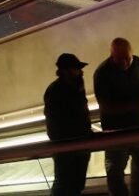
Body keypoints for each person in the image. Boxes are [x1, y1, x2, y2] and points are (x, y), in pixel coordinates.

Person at [93, 38, 139, 196]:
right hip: (115, 131)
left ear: (132, 54)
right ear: (111, 55)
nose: (124, 63)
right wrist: (136, 106)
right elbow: (106, 107)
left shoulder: (137, 63)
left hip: (138, 127)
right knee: (116, 173)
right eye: (119, 59)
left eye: (127, 58)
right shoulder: (102, 73)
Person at [44, 53, 92, 196]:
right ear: (67, 71)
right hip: (70, 146)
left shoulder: (68, 87)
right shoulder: (59, 90)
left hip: (72, 145)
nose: (81, 71)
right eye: (77, 68)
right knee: (67, 184)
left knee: (69, 184)